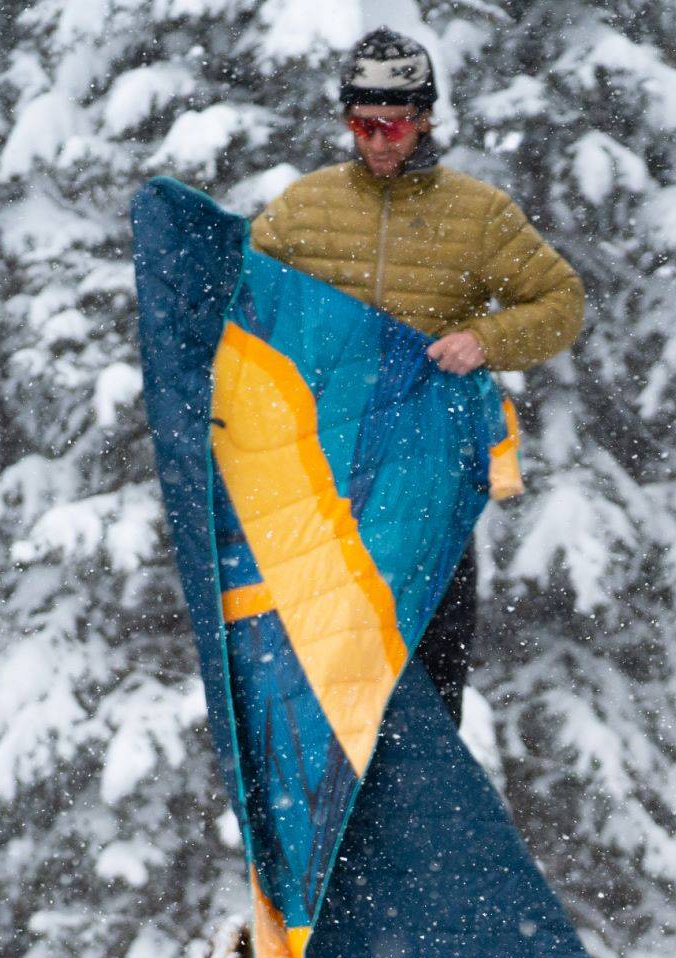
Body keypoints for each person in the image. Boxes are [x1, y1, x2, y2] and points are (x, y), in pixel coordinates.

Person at [246, 27, 585, 728]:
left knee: (426, 665)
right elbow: (240, 307)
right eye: (362, 125)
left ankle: (423, 803)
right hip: (323, 480)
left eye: (393, 125)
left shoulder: (477, 213)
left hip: (430, 477)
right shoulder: (303, 209)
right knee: (321, 669)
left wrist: (484, 339)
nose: (377, 142)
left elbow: (563, 305)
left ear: (425, 117)